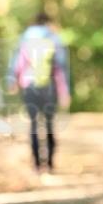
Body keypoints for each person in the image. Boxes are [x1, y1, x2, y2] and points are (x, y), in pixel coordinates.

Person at [7, 12, 70, 174]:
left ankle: (36, 164)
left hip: (30, 87)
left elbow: (18, 62)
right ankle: (49, 163)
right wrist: (64, 91)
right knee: (49, 124)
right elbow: (60, 68)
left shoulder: (25, 38)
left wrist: (12, 80)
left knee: (34, 125)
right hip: (49, 87)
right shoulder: (54, 38)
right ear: (48, 23)